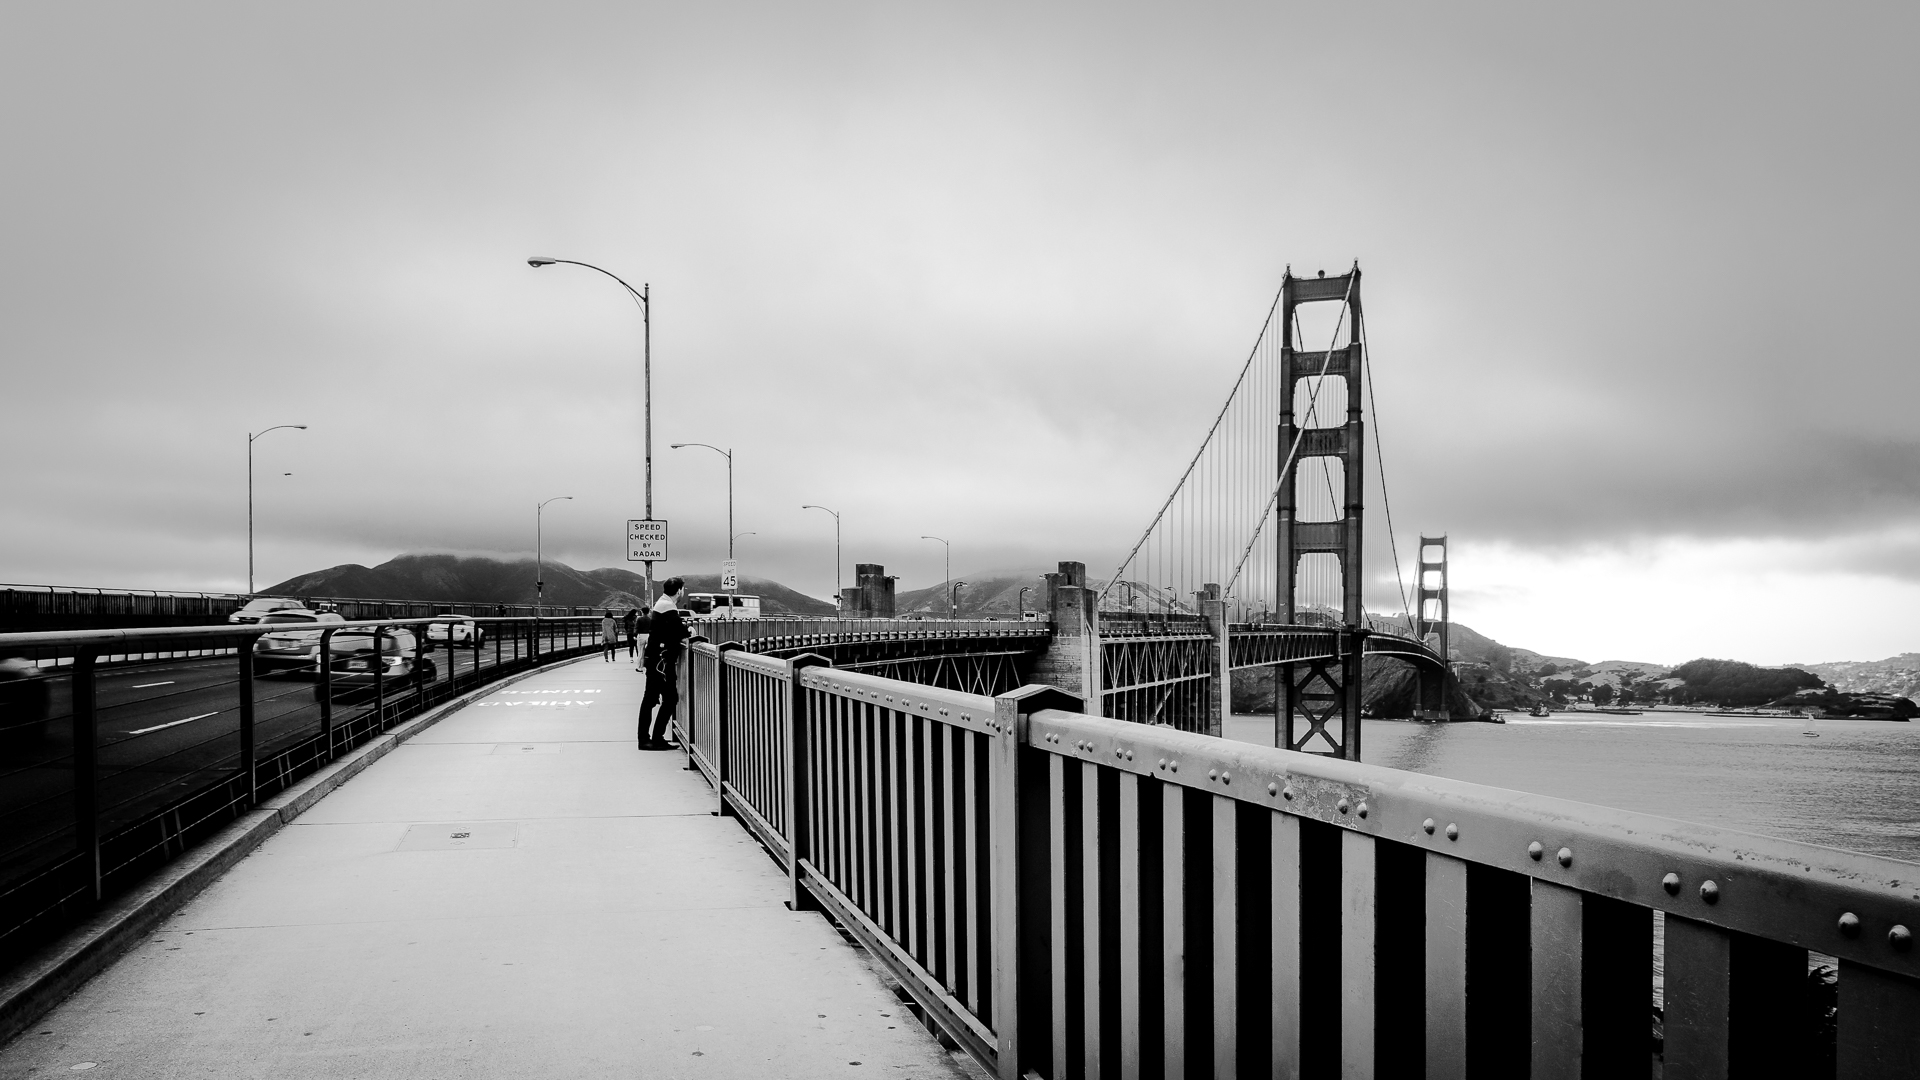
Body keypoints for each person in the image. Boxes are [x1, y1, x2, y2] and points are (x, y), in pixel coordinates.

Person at [636, 579, 690, 750]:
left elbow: (673, 629)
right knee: (665, 699)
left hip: (658, 660)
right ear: (679, 591)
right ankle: (650, 739)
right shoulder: (667, 606)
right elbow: (680, 631)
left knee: (653, 699)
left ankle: (649, 739)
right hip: (661, 662)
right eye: (683, 589)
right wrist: (689, 630)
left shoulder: (663, 603)